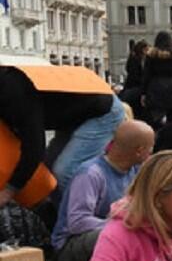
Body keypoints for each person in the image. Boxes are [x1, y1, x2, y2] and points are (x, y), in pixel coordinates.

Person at [0, 65, 126, 209]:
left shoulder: (13, 91)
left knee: (65, 172)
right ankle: (58, 217)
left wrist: (9, 190)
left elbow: (34, 147)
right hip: (72, 114)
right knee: (49, 171)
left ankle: (100, 217)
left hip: (102, 111)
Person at [50, 120, 155, 261]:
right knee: (123, 234)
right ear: (139, 150)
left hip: (115, 229)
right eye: (150, 148)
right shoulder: (90, 174)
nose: (151, 152)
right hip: (70, 246)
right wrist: (125, 224)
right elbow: (78, 222)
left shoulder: (136, 170)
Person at [141, 31, 172, 129]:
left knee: (155, 118)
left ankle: (158, 137)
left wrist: (144, 93)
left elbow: (146, 75)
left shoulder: (151, 55)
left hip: (156, 88)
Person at [119, 40, 148, 120]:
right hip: (135, 89)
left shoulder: (133, 58)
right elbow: (135, 75)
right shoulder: (137, 60)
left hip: (130, 88)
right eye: (146, 49)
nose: (147, 52)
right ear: (142, 50)